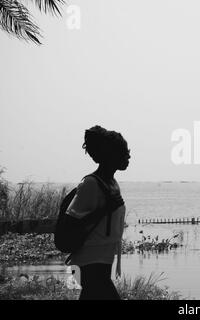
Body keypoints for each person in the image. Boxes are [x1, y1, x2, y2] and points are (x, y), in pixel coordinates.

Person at [65, 125, 130, 300]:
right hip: (88, 264)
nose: (129, 155)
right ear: (111, 155)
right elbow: (71, 223)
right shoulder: (91, 184)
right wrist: (104, 210)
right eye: (124, 151)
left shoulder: (112, 183)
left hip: (102, 263)